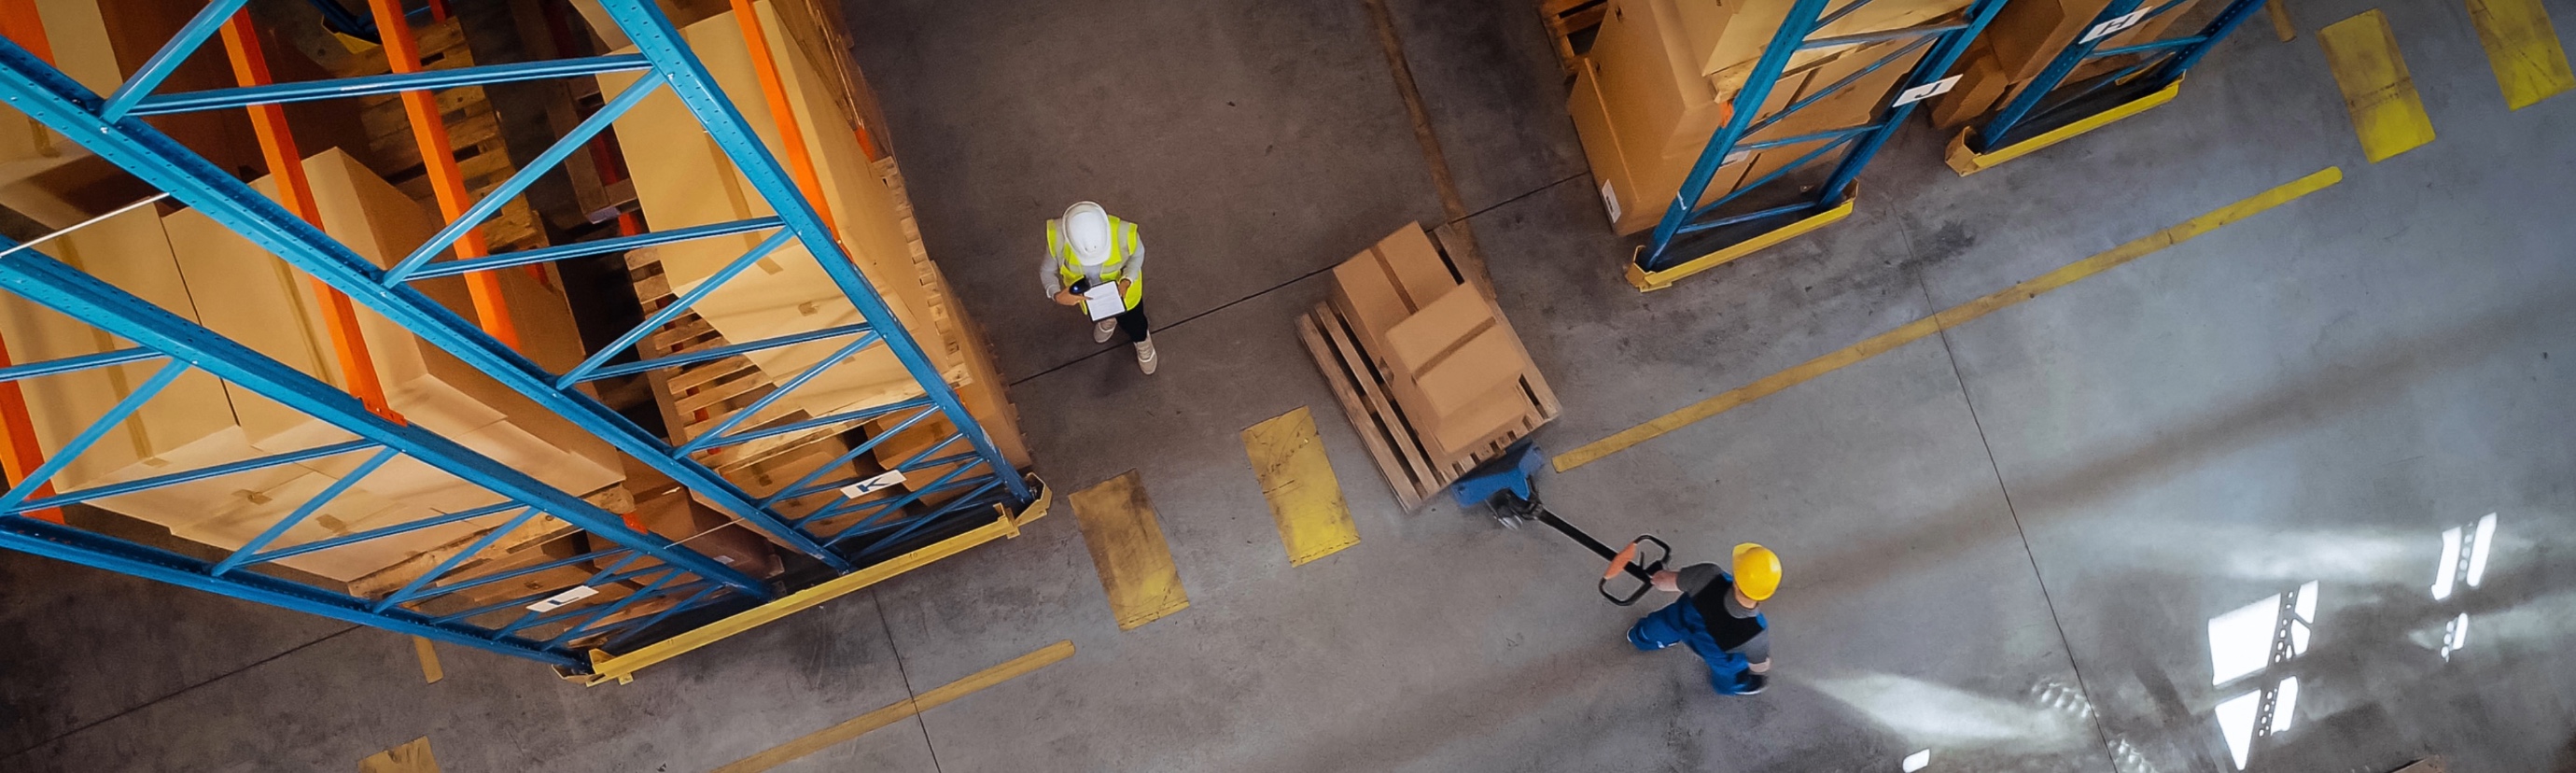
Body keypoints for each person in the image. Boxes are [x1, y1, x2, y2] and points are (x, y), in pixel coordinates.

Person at [1627, 542, 1779, 696]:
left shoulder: (1707, 575)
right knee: (1732, 668)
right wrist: (1764, 665)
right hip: (1714, 650)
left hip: (1682, 619)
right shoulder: (1757, 632)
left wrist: (1657, 576)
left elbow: (1664, 582)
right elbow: (1758, 665)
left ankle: (1640, 636)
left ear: (1737, 578)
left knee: (1662, 624)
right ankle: (1731, 686)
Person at [1041, 202, 1155, 374]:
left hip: (1127, 296)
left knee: (1135, 322)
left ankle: (1141, 339)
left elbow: (1138, 255)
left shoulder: (1124, 233)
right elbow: (1046, 270)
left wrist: (1127, 279)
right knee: (1103, 313)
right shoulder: (1057, 238)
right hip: (1092, 301)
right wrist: (1056, 295)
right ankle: (1108, 318)